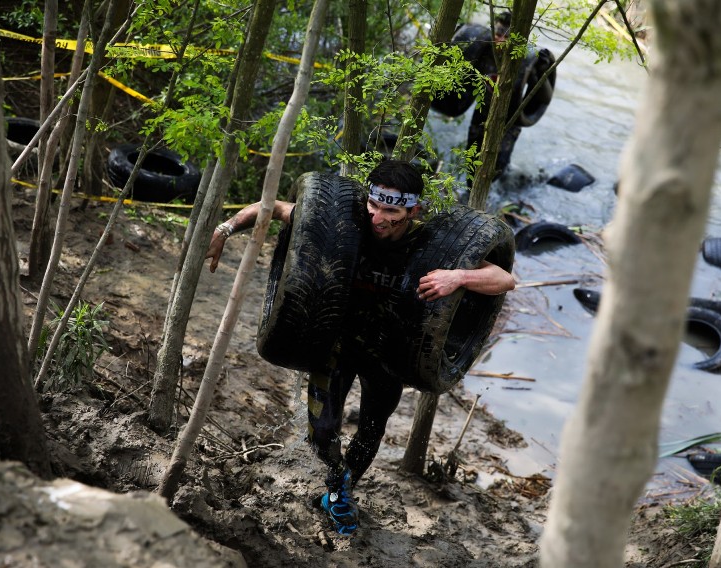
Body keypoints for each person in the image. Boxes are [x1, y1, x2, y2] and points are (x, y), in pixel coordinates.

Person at [205, 160, 515, 536]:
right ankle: (337, 484)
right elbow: (268, 208)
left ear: (412, 211)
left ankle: (339, 494)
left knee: (371, 431)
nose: (379, 218)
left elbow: (504, 278)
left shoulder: (431, 246)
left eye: (392, 211)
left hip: (390, 354)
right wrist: (224, 230)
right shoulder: (344, 227)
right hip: (336, 345)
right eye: (374, 205)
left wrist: (458, 276)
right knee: (322, 433)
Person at [465, 11, 522, 184]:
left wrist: (541, 68)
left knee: (498, 166)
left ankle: (495, 196)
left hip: (508, 121)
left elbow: (540, 98)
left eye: (507, 36)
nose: (501, 40)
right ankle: (469, 195)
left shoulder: (523, 61)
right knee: (472, 161)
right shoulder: (483, 50)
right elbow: (462, 76)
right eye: (497, 34)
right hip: (481, 114)